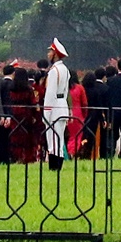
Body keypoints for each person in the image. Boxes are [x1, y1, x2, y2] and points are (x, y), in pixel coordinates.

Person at [41, 39, 72, 171]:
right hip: (62, 105)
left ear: (56, 54)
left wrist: (46, 113)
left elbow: (50, 94)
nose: (48, 54)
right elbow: (65, 91)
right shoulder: (64, 69)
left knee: (53, 141)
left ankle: (54, 168)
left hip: (54, 108)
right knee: (59, 140)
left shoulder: (54, 71)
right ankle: (57, 166)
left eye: (51, 51)